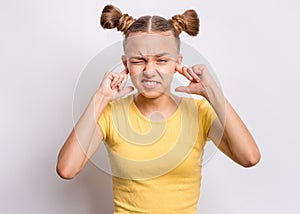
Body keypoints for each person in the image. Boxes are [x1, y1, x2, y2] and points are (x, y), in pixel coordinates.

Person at [56, 4, 261, 213]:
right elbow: (66, 169)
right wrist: (101, 97)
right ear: (125, 64)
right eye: (139, 61)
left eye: (162, 60)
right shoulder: (110, 113)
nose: (149, 71)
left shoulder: (199, 111)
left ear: (177, 63)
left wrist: (212, 92)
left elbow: (249, 157)